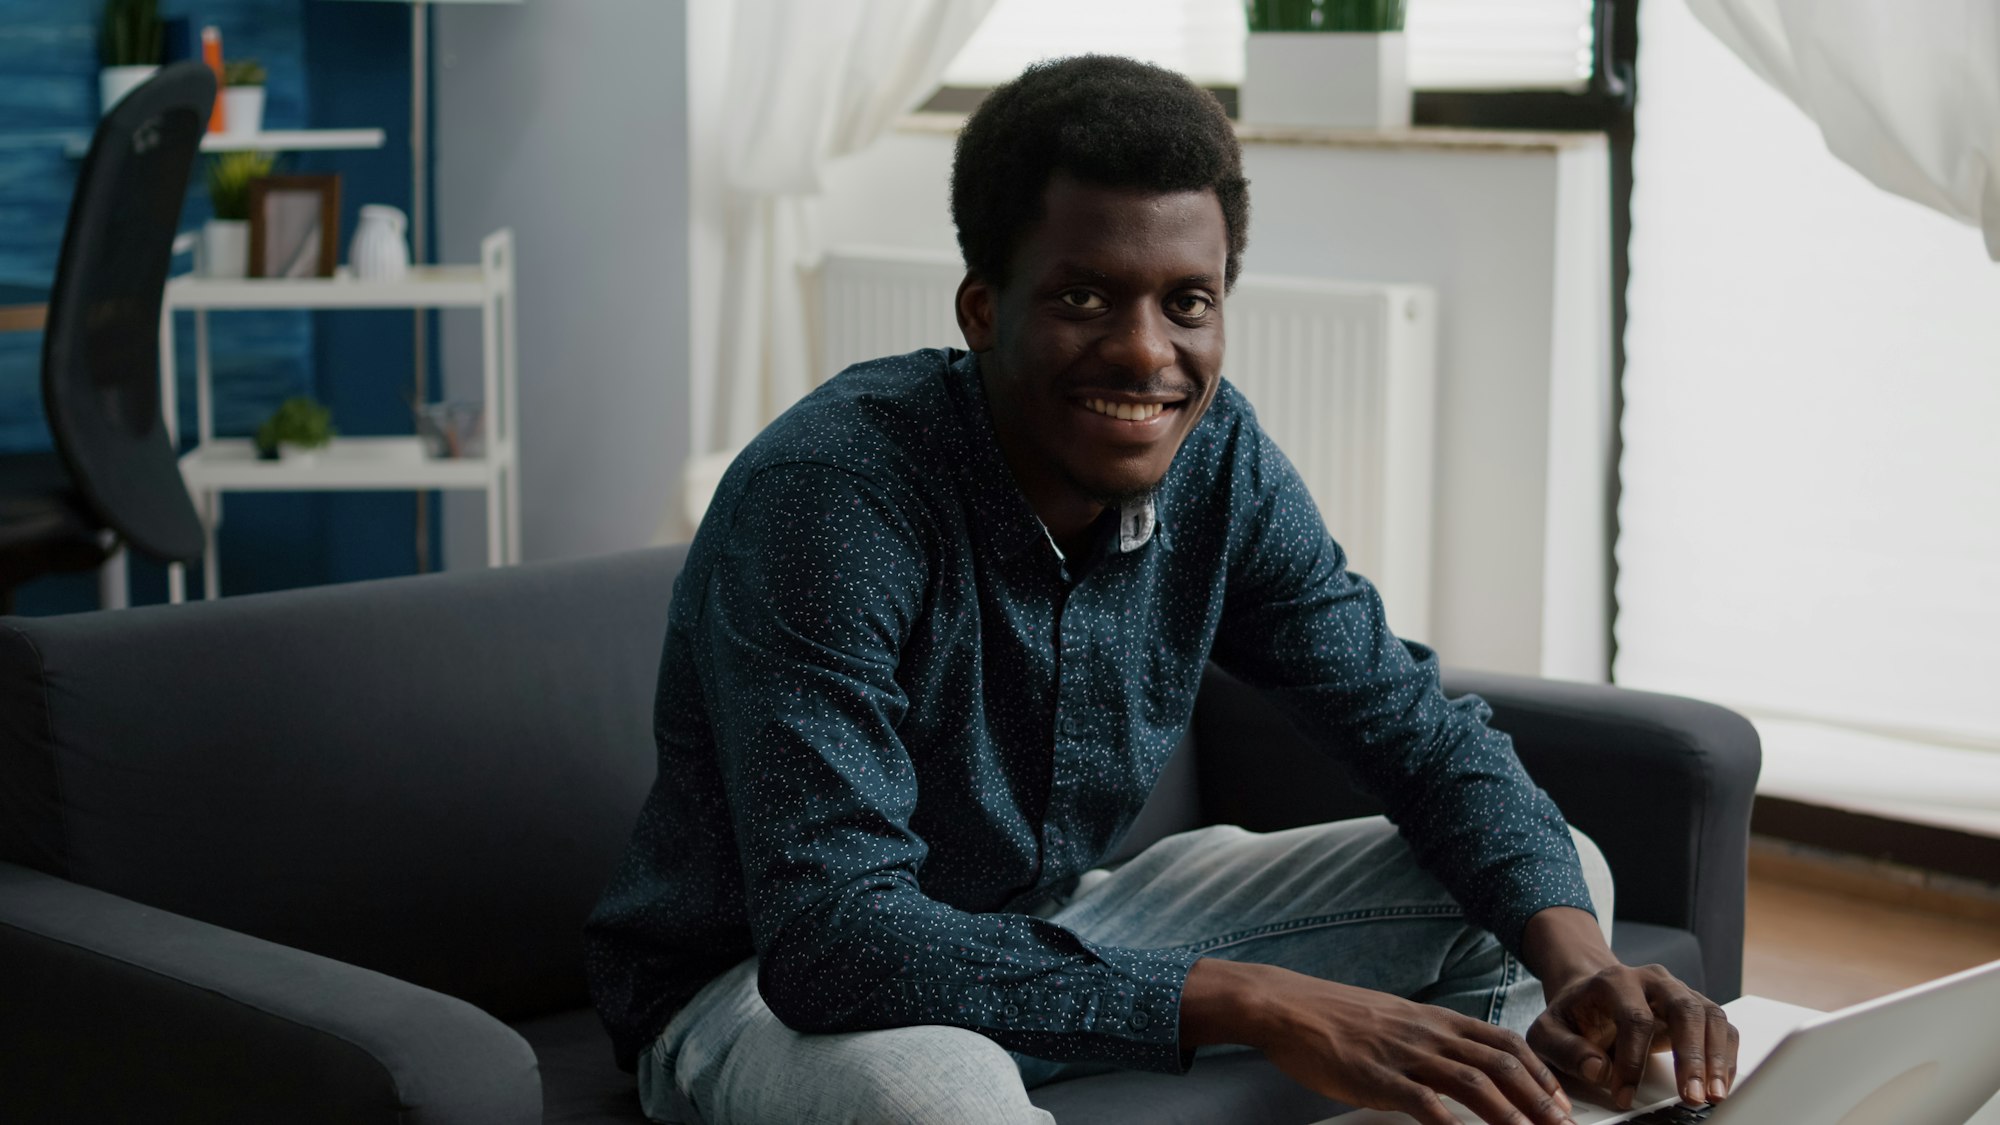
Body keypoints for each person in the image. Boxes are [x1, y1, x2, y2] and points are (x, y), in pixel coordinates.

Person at [584, 55, 1737, 1125]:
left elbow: (1414, 734)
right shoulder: (834, 495)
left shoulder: (1217, 459)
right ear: (982, 309)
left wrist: (1579, 963)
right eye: (1084, 298)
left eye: (1186, 302)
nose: (1146, 354)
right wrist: (1251, 998)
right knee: (934, 1095)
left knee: (1553, 882)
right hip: (770, 987)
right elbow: (834, 939)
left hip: (1061, 918)